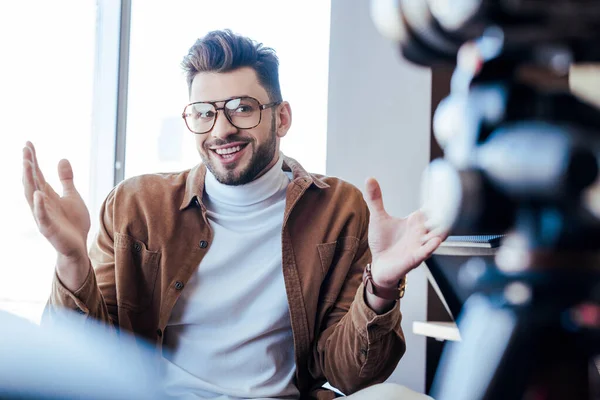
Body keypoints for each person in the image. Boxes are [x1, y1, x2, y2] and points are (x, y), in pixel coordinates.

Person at [21, 30, 445, 399]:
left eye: (242, 107)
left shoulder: (340, 210)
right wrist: (71, 259)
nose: (221, 129)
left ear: (281, 118)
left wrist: (384, 285)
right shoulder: (136, 206)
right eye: (204, 112)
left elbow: (351, 376)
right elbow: (85, 354)